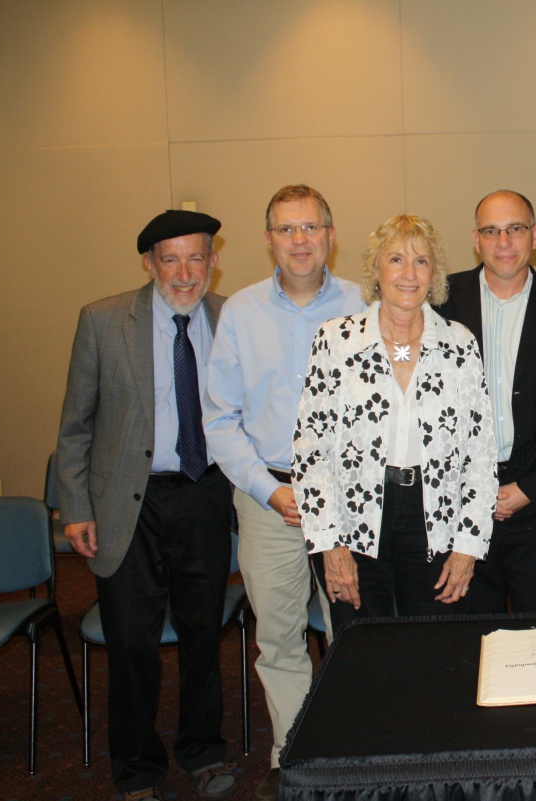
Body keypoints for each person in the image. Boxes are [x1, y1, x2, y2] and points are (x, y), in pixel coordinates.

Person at [56, 210, 236, 801]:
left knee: (201, 634)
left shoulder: (229, 316)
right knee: (131, 643)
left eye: (196, 258)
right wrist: (75, 505)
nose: (185, 273)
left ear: (212, 261)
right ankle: (136, 769)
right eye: (170, 259)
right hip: (126, 503)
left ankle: (203, 751)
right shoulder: (104, 320)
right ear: (149, 263)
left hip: (204, 495)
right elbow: (75, 426)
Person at [203, 185, 364, 800]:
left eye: (310, 228)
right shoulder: (240, 313)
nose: (299, 241)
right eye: (286, 229)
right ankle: (292, 751)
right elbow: (220, 419)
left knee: (349, 628)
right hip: (268, 496)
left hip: (350, 501)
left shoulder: (364, 302)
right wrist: (267, 491)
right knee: (279, 636)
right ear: (268, 238)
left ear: (330, 234)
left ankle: (348, 750)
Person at [294, 214, 497, 628]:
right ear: (376, 268)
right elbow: (310, 450)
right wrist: (330, 545)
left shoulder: (459, 344)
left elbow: (481, 453)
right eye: (396, 259)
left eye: (421, 261)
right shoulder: (336, 340)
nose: (409, 273)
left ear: (434, 273)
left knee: (435, 652)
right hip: (357, 517)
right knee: (363, 654)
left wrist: (468, 547)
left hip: (436, 516)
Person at [434, 190, 536, 612]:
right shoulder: (441, 304)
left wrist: (529, 488)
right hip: (458, 502)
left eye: (515, 229)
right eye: (491, 231)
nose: (503, 242)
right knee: (468, 637)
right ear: (476, 239)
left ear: (534, 236)